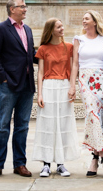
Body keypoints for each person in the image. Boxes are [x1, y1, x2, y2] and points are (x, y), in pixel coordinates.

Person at [0, 0, 36, 179]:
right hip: (8, 85)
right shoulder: (1, 29)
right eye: (22, 6)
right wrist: (3, 80)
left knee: (22, 126)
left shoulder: (28, 30)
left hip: (27, 84)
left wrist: (54, 54)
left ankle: (20, 164)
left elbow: (30, 54)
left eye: (25, 6)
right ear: (12, 9)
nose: (25, 9)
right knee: (3, 126)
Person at [31, 18, 80, 177]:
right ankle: (46, 164)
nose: (62, 28)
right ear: (51, 30)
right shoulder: (43, 49)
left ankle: (60, 163)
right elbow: (39, 72)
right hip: (48, 86)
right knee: (47, 124)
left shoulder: (69, 47)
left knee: (63, 124)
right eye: (59, 27)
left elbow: (74, 67)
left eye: (62, 26)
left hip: (64, 86)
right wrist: (39, 94)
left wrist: (73, 86)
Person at [69, 10, 103, 178]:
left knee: (101, 117)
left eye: (86, 18)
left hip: (102, 79)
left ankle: (94, 157)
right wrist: (72, 86)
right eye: (83, 19)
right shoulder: (78, 40)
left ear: (95, 22)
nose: (83, 21)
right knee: (92, 114)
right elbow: (75, 65)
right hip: (85, 80)